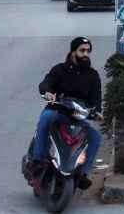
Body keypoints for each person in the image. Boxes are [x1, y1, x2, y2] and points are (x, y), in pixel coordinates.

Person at [32, 37, 102, 190]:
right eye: (81, 50)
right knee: (45, 118)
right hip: (58, 111)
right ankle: (37, 161)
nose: (85, 54)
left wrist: (97, 111)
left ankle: (83, 174)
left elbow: (96, 99)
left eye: (87, 51)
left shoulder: (92, 75)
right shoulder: (59, 70)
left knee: (95, 137)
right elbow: (46, 83)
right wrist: (47, 92)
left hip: (77, 117)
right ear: (73, 52)